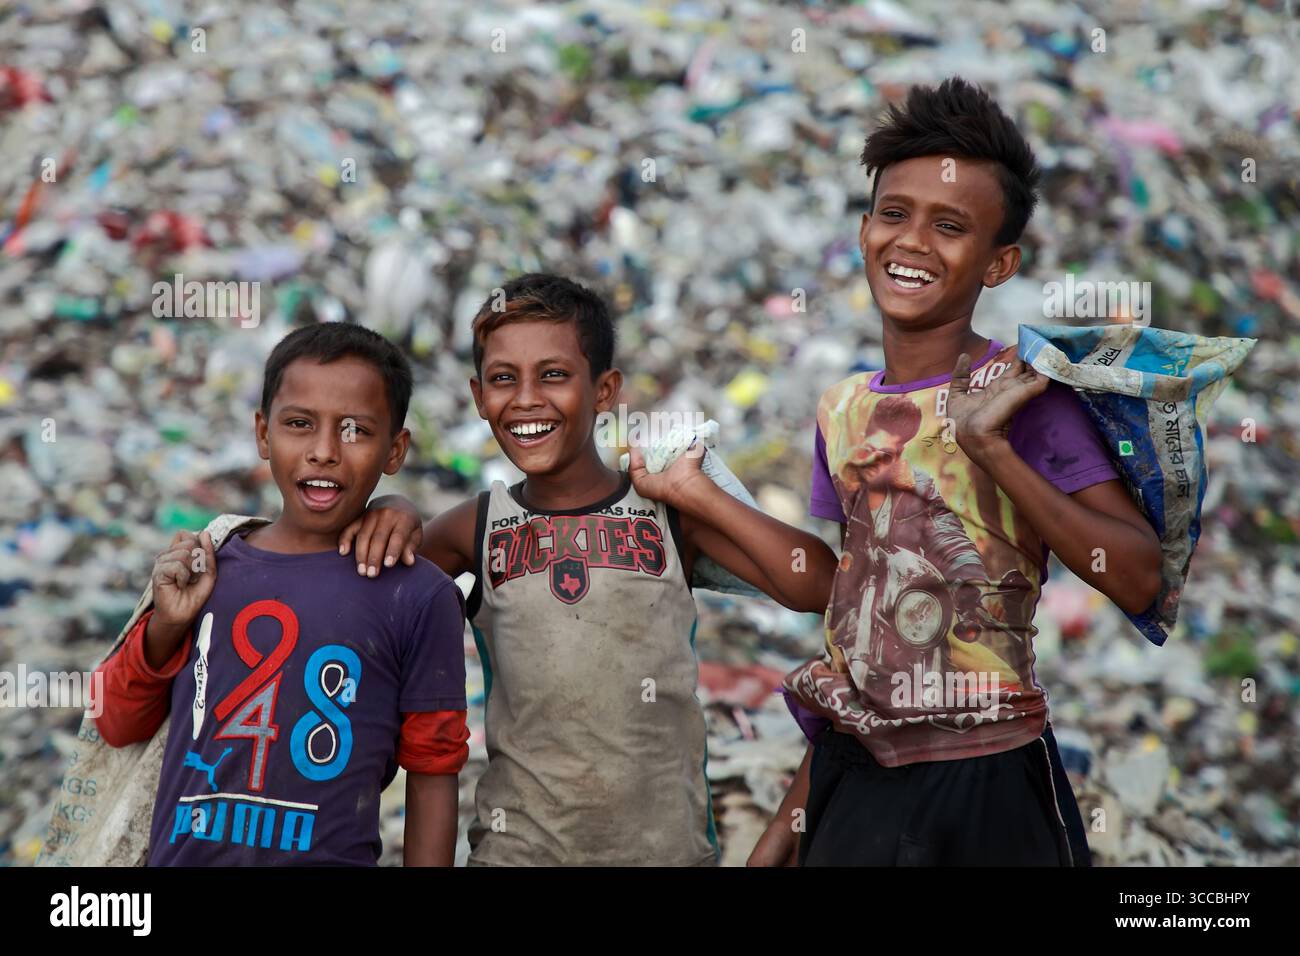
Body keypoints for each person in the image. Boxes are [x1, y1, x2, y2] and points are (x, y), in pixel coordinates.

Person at [748, 77, 1163, 867]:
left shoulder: (1023, 398)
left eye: (950, 226)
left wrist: (993, 449)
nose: (911, 243)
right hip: (859, 779)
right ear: (866, 227)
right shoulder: (842, 411)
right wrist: (783, 829)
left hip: (989, 783)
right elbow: (861, 637)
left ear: (999, 262)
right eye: (894, 214)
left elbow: (1139, 577)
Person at [343, 273, 838, 865]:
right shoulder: (473, 528)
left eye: (553, 375)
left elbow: (820, 585)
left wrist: (697, 494)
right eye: (504, 379)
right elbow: (358, 611)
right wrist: (392, 506)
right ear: (478, 398)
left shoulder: (666, 512)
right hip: (517, 853)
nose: (526, 398)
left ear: (605, 390)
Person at [91, 323, 469, 866]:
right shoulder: (208, 569)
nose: (323, 451)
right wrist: (166, 627)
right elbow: (116, 722)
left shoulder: (418, 595)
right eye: (299, 424)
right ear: (264, 434)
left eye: (356, 430)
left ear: (396, 450)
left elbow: (434, 770)